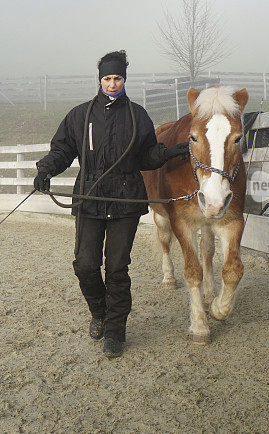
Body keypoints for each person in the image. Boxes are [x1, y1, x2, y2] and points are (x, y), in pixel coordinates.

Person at [34, 50, 188, 358]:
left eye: (117, 78)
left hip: (126, 201)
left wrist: (169, 153)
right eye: (107, 78)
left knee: (117, 269)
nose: (113, 83)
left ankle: (116, 332)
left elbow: (146, 156)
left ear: (125, 79)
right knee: (85, 265)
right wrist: (46, 168)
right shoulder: (80, 116)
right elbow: (62, 149)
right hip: (90, 198)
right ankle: (100, 313)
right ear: (100, 79)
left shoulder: (138, 115)